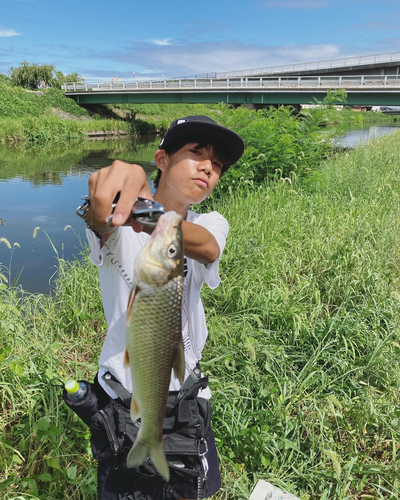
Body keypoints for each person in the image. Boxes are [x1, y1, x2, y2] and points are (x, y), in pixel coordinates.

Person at [85, 115, 244, 500]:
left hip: (187, 396)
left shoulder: (210, 220)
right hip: (123, 397)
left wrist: (153, 217)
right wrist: (112, 196)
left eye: (218, 165)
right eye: (196, 154)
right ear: (161, 159)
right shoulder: (124, 220)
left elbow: (208, 246)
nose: (209, 167)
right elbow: (100, 217)